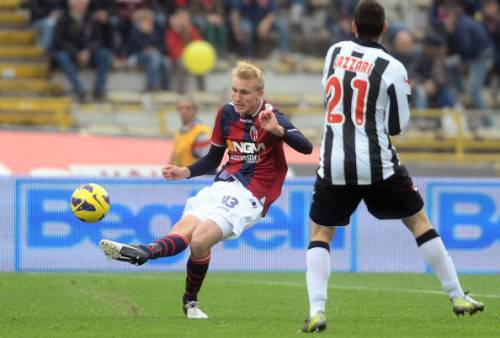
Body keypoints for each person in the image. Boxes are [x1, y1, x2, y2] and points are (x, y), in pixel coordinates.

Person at [301, 0, 484, 333]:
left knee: (321, 233)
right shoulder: (392, 67)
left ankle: (316, 311)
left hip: (334, 161)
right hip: (377, 164)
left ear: (353, 25)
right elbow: (398, 125)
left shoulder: (333, 51)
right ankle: (457, 297)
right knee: (418, 221)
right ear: (384, 28)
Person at [99, 61, 313, 319]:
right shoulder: (226, 114)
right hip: (222, 184)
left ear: (259, 93)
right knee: (184, 231)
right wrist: (185, 171)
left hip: (251, 195)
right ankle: (145, 252)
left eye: (244, 92)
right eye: (234, 90)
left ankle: (189, 301)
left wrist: (278, 131)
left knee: (199, 241)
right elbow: (213, 158)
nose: (237, 97)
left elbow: (306, 147)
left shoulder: (271, 116)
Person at [52, 0, 113, 101]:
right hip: (71, 53)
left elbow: (98, 40)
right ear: (71, 5)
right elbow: (59, 41)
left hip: (89, 53)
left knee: (104, 54)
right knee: (61, 56)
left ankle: (99, 90)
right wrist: (76, 53)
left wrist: (88, 51)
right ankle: (79, 90)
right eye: (78, 3)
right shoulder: (63, 19)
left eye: (83, 3)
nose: (82, 5)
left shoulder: (93, 18)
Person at [170, 96, 212, 167]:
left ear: (195, 110)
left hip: (194, 177)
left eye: (188, 108)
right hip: (180, 176)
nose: (184, 111)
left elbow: (209, 164)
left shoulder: (201, 133)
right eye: (181, 108)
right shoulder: (178, 132)